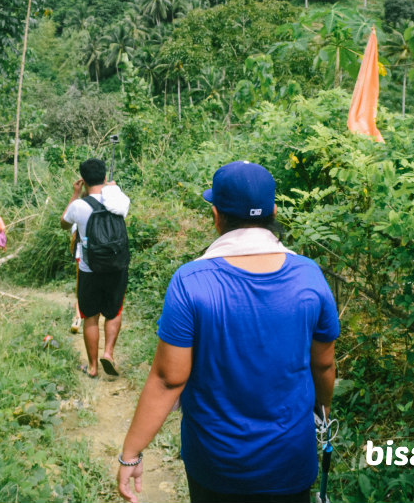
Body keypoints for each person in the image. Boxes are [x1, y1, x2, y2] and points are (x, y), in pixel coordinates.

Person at [116, 160, 340, 503]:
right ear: (274, 211)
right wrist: (323, 411)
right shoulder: (309, 276)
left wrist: (131, 453)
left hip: (216, 466)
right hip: (289, 463)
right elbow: (323, 366)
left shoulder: (191, 282)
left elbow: (167, 380)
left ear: (216, 214)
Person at [61, 158, 131, 378]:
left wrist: (75, 193)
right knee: (114, 312)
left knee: (90, 316)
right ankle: (108, 353)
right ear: (104, 177)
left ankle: (92, 367)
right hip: (117, 266)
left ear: (83, 179)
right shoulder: (119, 201)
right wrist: (114, 188)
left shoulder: (79, 206)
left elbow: (64, 222)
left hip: (89, 269)